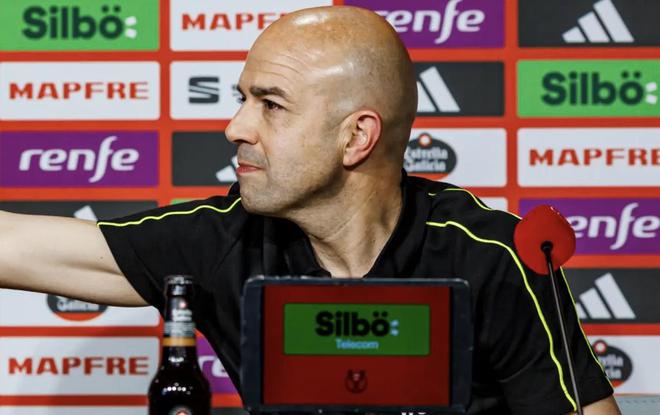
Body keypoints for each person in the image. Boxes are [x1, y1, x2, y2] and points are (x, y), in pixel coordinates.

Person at [0, 6, 619, 415]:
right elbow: (18, 248)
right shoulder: (226, 242)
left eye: (270, 105)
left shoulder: (492, 255)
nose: (235, 127)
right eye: (242, 99)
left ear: (357, 137)